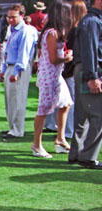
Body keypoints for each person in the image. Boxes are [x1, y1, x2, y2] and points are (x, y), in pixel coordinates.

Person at [31, 0, 74, 158]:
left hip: (55, 75)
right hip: (50, 76)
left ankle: (60, 139)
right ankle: (36, 144)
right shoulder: (52, 33)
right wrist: (67, 58)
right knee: (43, 110)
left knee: (66, 103)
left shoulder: (54, 32)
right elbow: (53, 58)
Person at [68, 0, 102, 169]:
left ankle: (77, 153)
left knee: (82, 115)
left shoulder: (90, 21)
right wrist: (93, 77)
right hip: (88, 70)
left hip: (85, 69)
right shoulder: (92, 22)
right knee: (97, 115)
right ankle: (88, 156)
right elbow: (91, 51)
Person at [0, 4, 38, 140]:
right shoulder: (12, 30)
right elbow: (8, 51)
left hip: (19, 68)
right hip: (11, 65)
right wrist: (4, 70)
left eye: (13, 17)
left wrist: (16, 72)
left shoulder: (25, 31)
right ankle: (12, 127)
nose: (10, 20)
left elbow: (24, 53)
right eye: (8, 17)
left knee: (17, 99)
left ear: (22, 16)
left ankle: (17, 129)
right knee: (10, 99)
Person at [62, 0, 88, 140]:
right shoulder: (81, 27)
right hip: (77, 67)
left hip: (73, 68)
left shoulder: (75, 29)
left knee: (71, 101)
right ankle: (71, 130)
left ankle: (70, 130)